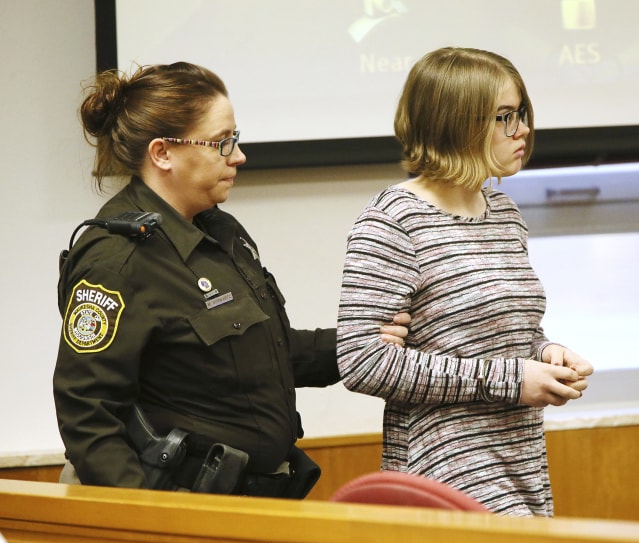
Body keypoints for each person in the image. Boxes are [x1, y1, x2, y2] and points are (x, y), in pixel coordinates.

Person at [53, 61, 409, 498]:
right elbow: (88, 413)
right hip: (183, 509)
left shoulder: (221, 232)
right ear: (162, 153)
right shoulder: (118, 257)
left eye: (234, 139)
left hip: (257, 498)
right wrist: (146, 521)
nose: (238, 156)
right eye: (222, 143)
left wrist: (357, 343)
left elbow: (262, 354)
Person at [336, 47, 594, 516]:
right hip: (442, 473)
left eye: (520, 114)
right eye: (503, 117)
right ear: (455, 124)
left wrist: (543, 353)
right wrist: (513, 380)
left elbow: (503, 335)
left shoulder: (505, 213)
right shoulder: (393, 221)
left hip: (520, 461)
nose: (522, 130)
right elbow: (362, 362)